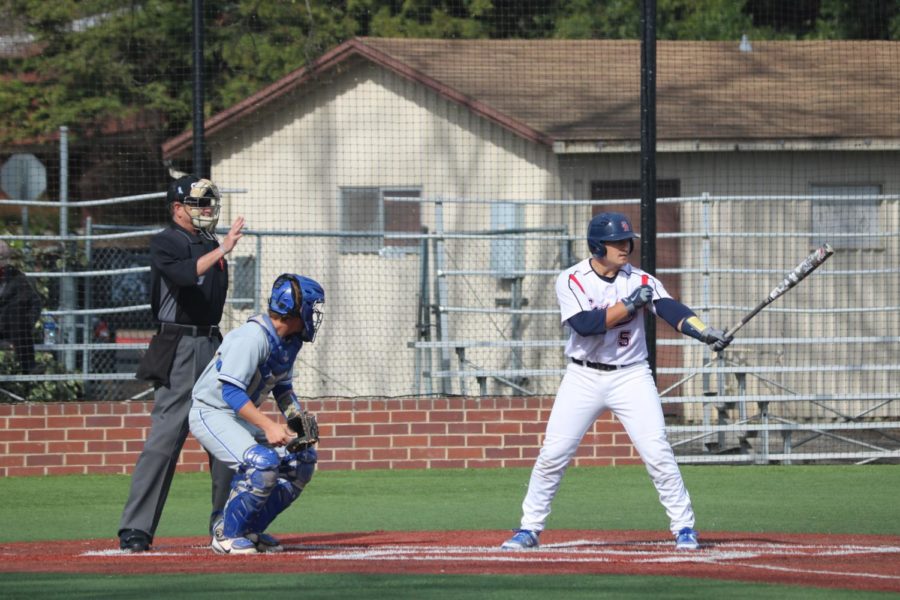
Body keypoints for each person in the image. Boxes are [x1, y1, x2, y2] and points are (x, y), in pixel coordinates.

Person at [500, 212, 732, 552]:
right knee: (554, 454)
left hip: (631, 375)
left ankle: (684, 527)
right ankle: (529, 528)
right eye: (616, 242)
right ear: (597, 246)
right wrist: (627, 306)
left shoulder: (640, 279)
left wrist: (702, 331)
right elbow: (585, 323)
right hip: (583, 376)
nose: (625, 247)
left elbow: (669, 308)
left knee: (657, 451)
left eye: (627, 241)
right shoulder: (572, 279)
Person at [118, 175, 245, 552]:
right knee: (165, 438)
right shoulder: (166, 241)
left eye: (209, 203)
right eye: (198, 204)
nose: (206, 210)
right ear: (177, 208)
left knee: (227, 437)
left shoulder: (208, 242)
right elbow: (185, 275)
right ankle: (136, 529)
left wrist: (219, 247)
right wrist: (223, 249)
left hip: (212, 343)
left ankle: (228, 524)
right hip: (179, 344)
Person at [188, 273, 325, 554]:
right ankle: (226, 533)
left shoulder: (288, 341)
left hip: (238, 415)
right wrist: (269, 426)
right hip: (211, 412)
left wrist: (299, 425)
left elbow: (283, 389)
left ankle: (249, 529)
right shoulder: (253, 337)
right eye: (312, 306)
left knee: (302, 460)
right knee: (262, 463)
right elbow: (231, 392)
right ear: (294, 308)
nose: (315, 314)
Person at [0, 240, 43, 374]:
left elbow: (35, 303)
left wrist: (26, 324)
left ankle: (29, 366)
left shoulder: (17, 277)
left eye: (4, 257)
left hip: (10, 328)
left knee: (18, 314)